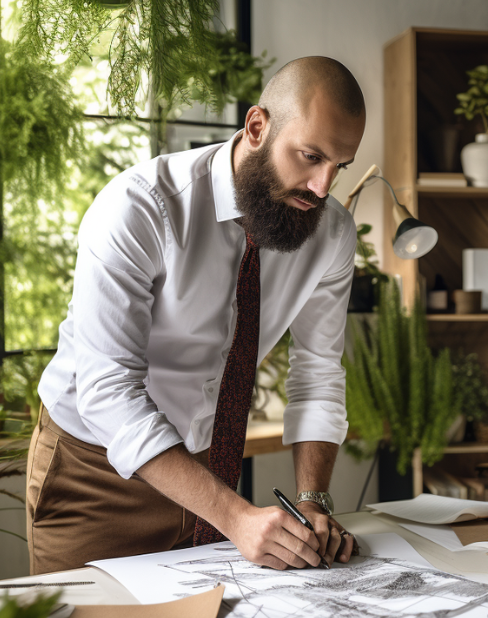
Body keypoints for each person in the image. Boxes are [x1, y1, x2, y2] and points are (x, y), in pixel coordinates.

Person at [28, 56, 366, 574]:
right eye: (310, 156)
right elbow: (107, 391)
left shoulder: (332, 233)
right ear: (257, 127)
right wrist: (235, 516)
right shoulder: (138, 207)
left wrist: (313, 499)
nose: (322, 187)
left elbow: (318, 375)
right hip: (94, 476)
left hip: (207, 471)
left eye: (338, 167)